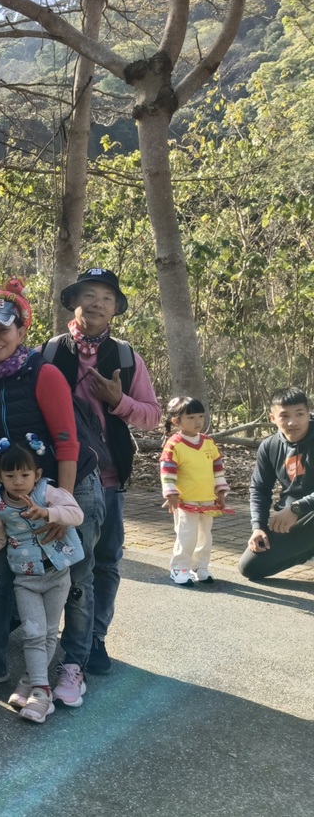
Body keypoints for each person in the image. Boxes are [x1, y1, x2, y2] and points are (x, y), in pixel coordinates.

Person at [0, 278, 103, 709]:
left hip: (69, 489)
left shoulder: (43, 373)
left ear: (21, 330)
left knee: (75, 577)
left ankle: (73, 666)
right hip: (16, 493)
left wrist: (60, 508)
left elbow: (67, 443)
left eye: (2, 329)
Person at [41, 268, 160, 674]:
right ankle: (52, 635)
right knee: (64, 562)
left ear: (115, 310)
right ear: (74, 301)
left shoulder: (127, 357)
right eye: (89, 294)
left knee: (105, 562)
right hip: (62, 479)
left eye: (107, 298)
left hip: (109, 481)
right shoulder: (49, 352)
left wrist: (119, 400)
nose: (96, 303)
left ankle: (95, 638)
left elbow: (152, 416)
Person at [0, 439, 84, 724]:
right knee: (33, 633)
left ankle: (32, 683)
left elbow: (76, 514)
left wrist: (49, 512)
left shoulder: (47, 492)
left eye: (25, 474)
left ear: (37, 475)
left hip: (57, 575)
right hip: (25, 579)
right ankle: (41, 691)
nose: (18, 481)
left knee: (48, 632)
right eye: (10, 475)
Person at [238, 388, 314, 580]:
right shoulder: (270, 446)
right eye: (284, 416)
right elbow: (259, 489)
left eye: (299, 414)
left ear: (308, 413)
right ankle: (307, 548)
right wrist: (258, 527)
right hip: (293, 520)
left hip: (305, 511)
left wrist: (297, 507)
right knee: (250, 567)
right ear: (273, 418)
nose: (292, 422)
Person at [160, 397, 230, 586]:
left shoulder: (208, 442)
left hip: (207, 499)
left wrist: (220, 492)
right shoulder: (174, 444)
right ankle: (179, 568)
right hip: (185, 501)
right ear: (176, 421)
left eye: (200, 416)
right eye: (190, 417)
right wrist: (171, 494)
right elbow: (167, 471)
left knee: (205, 536)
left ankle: (199, 566)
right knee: (186, 535)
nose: (198, 421)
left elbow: (217, 468)